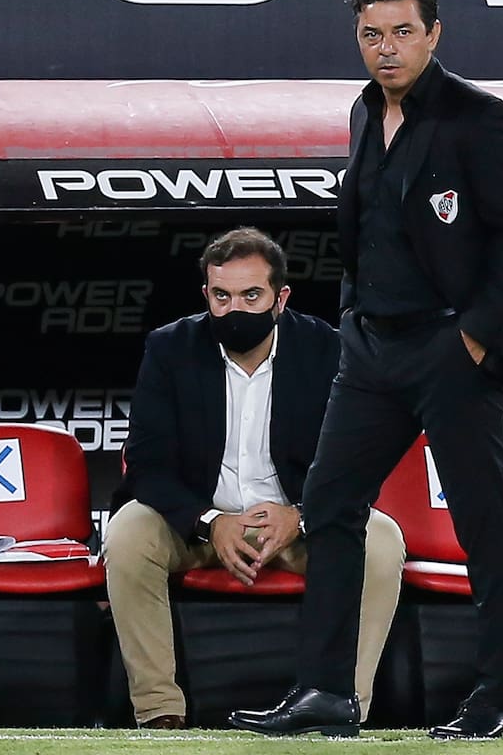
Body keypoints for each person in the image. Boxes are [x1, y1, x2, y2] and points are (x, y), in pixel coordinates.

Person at [229, 0, 503, 740]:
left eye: (403, 32)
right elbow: (366, 230)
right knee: (330, 506)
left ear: (434, 34)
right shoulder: (363, 111)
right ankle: (325, 693)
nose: (387, 48)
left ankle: (497, 699)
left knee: (481, 522)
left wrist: (471, 338)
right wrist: (352, 317)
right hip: (370, 349)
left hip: (450, 348)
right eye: (372, 34)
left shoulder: (479, 117)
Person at [102, 227, 405, 729]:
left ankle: (341, 705)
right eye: (221, 296)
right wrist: (209, 521)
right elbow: (148, 464)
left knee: (381, 539)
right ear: (206, 294)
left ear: (280, 298)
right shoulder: (171, 348)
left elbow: (359, 460)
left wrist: (301, 517)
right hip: (198, 524)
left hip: (298, 524)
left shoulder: (328, 350)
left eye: (251, 296)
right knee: (129, 533)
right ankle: (159, 712)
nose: (234, 309)